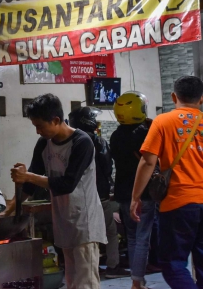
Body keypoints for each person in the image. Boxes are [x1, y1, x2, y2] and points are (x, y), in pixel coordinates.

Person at [130, 76, 203, 289]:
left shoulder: (163, 121)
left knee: (173, 264)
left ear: (173, 97)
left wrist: (135, 197)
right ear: (202, 99)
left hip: (179, 204)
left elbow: (148, 162)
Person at [3, 93, 106, 289]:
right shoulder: (44, 143)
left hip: (85, 221)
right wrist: (10, 209)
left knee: (86, 283)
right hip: (63, 219)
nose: (37, 131)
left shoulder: (82, 142)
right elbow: (31, 183)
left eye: (40, 126)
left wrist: (28, 176)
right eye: (35, 126)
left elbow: (67, 184)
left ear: (56, 120)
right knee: (73, 281)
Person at [68, 106, 130, 279]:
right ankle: (112, 266)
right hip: (99, 194)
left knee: (84, 234)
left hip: (78, 196)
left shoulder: (70, 141)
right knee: (109, 231)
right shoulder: (98, 142)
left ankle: (87, 268)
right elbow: (107, 167)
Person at [110, 91, 157, 289]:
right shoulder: (145, 133)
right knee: (143, 238)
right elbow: (154, 161)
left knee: (131, 237)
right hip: (143, 193)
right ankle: (138, 282)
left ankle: (135, 280)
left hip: (123, 193)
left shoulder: (115, 135)